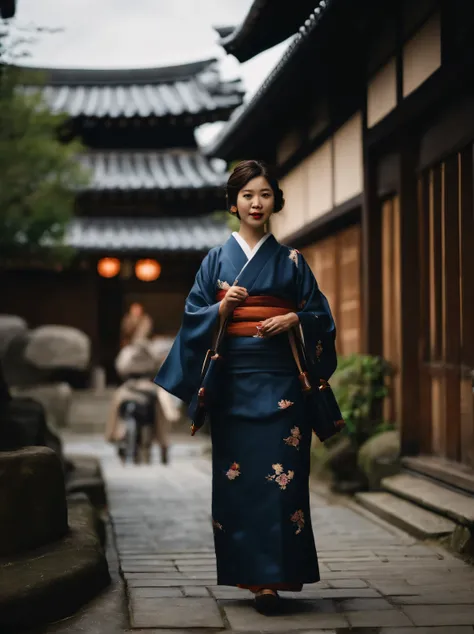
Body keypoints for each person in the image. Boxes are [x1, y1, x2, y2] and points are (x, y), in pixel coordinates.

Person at [154, 160, 337, 615]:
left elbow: (322, 317)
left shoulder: (293, 260)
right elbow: (193, 316)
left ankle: (275, 578)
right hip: (234, 385)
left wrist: (295, 317)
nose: (257, 203)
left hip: (282, 387)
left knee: (284, 484)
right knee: (239, 484)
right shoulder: (215, 261)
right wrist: (221, 309)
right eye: (248, 195)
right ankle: (253, 578)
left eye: (266, 195)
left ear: (276, 201)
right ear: (233, 203)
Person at [106, 341, 180, 464]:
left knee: (160, 404)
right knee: (119, 402)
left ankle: (163, 442)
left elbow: (121, 367)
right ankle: (117, 435)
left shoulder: (134, 354)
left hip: (138, 386)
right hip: (135, 387)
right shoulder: (131, 354)